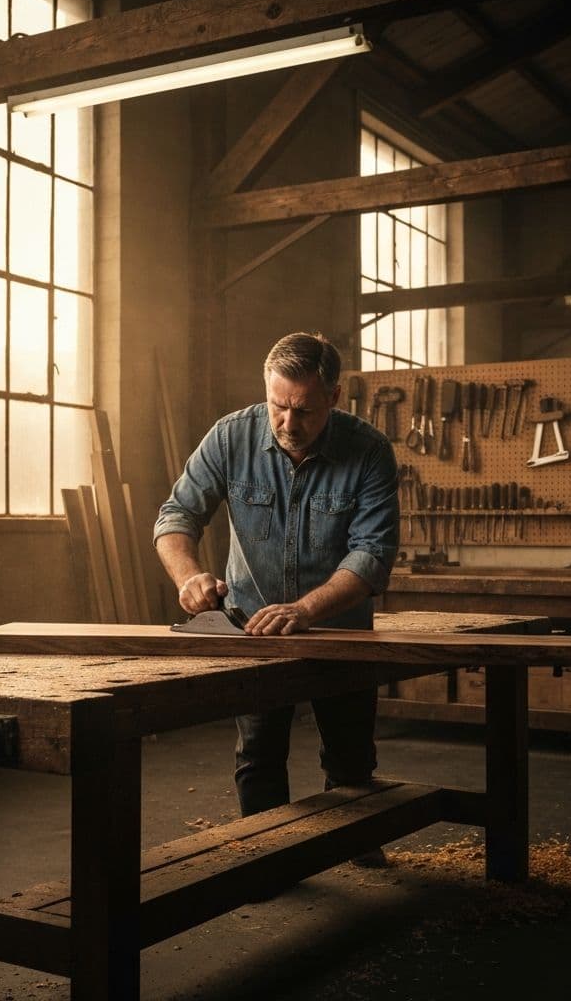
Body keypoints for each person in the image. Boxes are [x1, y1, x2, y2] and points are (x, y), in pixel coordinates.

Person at [153, 332, 400, 855]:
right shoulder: (229, 438)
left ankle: (354, 844)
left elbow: (372, 554)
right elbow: (177, 515)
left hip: (341, 631)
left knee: (350, 758)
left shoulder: (370, 451)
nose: (288, 424)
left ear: (334, 396)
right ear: (266, 389)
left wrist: (307, 609)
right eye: (277, 407)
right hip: (253, 629)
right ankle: (269, 858)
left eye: (305, 411)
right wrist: (188, 577)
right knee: (259, 755)